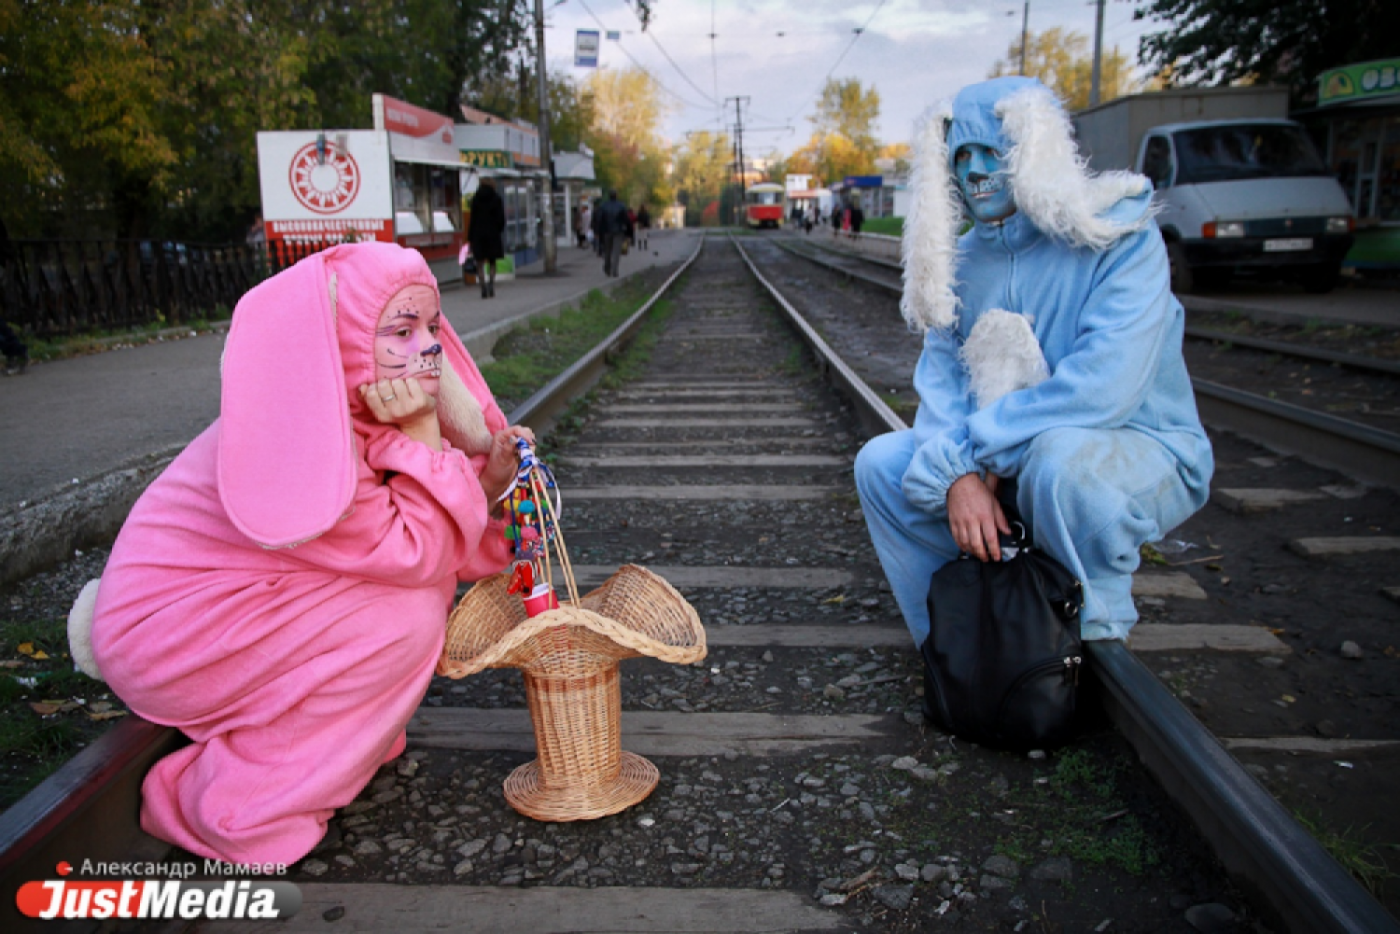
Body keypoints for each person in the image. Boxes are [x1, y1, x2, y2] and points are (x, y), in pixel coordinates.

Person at [75, 242, 533, 865]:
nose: (429, 346)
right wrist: (429, 438)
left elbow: (431, 544)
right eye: (402, 330)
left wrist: (490, 482)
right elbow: (417, 554)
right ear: (342, 344)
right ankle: (235, 807)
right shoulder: (311, 442)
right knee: (399, 620)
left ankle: (333, 744)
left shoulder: (351, 413)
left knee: (410, 601)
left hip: (225, 605)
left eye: (432, 326)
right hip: (170, 631)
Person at [854, 76, 1213, 651]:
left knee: (1057, 463)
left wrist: (972, 457)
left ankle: (1086, 642)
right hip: (1002, 457)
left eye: (990, 152)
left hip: (1138, 443)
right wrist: (957, 477)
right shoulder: (961, 261)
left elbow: (1103, 388)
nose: (974, 172)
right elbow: (942, 391)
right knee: (881, 464)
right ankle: (956, 648)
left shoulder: (1114, 235)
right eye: (960, 157)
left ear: (1031, 148)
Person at [466, 178, 506, 298]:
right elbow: (501, 219)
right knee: (492, 261)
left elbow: (472, 219)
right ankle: (491, 285)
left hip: (478, 235)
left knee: (479, 263)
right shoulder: (496, 199)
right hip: (492, 234)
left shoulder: (476, 199)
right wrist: (498, 230)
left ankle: (482, 286)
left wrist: (470, 237)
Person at [596, 190, 632, 278]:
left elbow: (599, 220)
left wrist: (598, 231)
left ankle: (607, 267)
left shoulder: (603, 206)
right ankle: (614, 270)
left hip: (606, 231)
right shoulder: (621, 206)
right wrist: (629, 232)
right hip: (618, 231)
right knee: (616, 251)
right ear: (616, 196)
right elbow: (626, 220)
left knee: (607, 250)